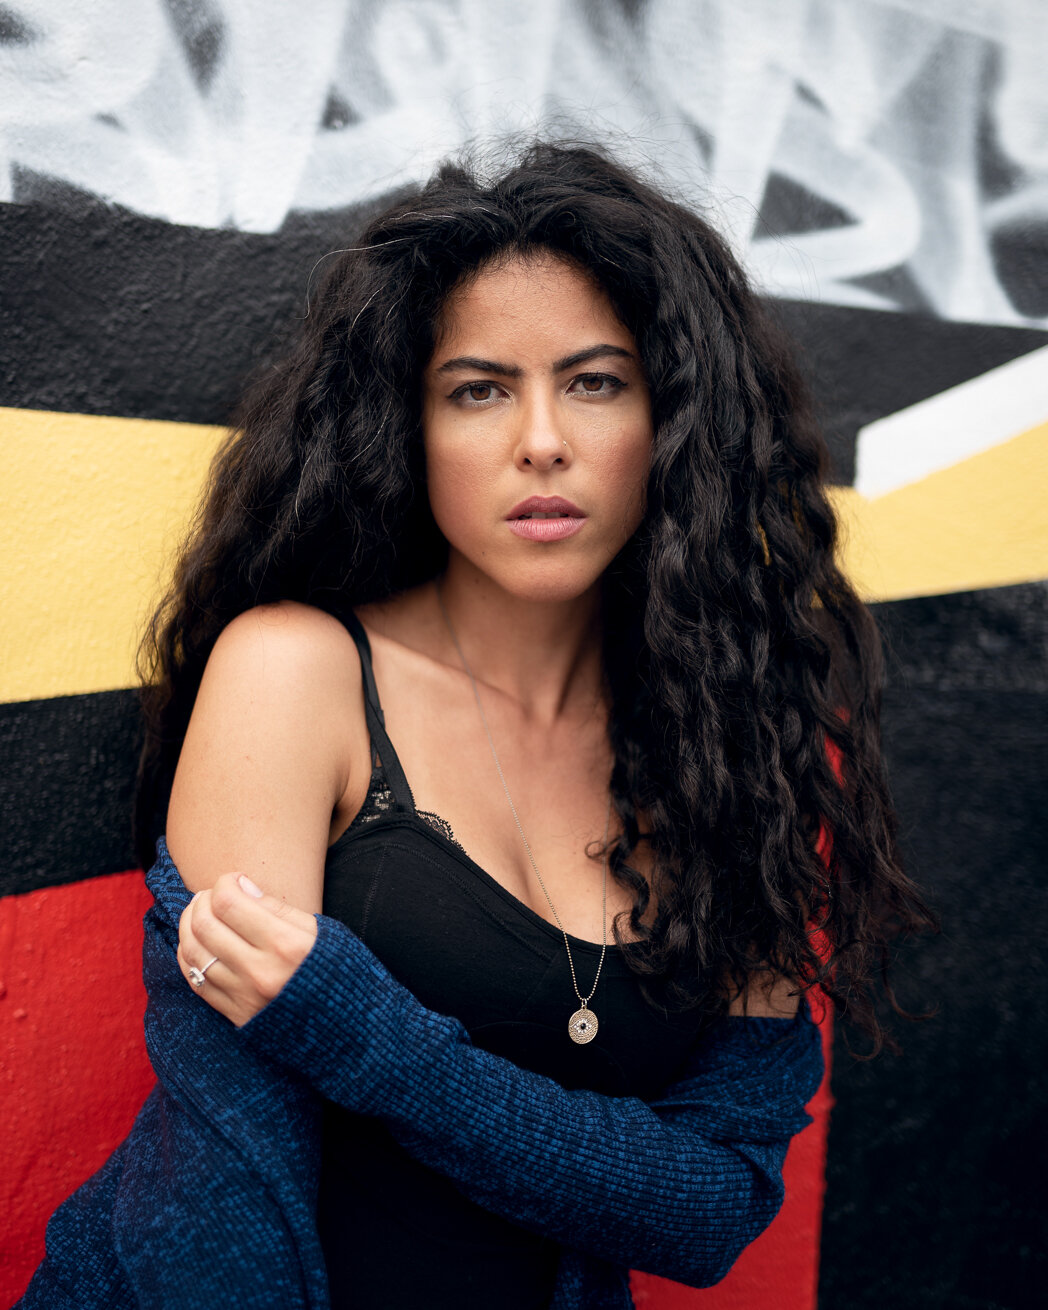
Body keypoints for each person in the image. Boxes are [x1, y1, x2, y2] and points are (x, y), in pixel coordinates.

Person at [19, 141, 935, 1310]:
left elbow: (709, 1205)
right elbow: (220, 1202)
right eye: (478, 389)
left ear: (671, 420)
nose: (540, 439)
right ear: (406, 426)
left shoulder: (732, 754)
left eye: (594, 382)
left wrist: (361, 1032)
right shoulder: (296, 673)